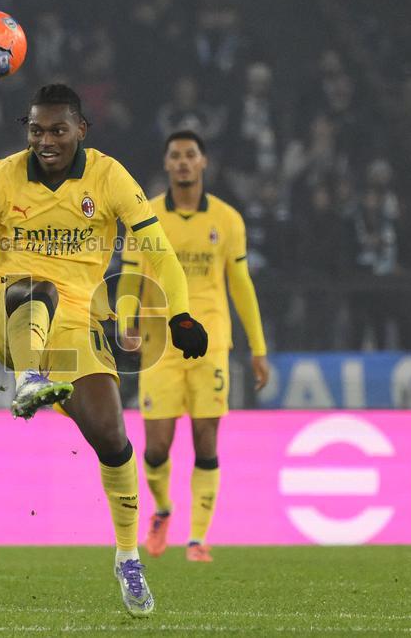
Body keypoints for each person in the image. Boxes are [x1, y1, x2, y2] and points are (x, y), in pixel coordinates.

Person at [0, 84, 208, 618]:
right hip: (9, 312)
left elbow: (159, 252)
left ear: (81, 130)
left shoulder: (109, 178)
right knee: (35, 287)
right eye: (36, 130)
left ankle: (128, 557)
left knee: (112, 437)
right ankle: (27, 382)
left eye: (57, 130)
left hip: (79, 327)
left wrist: (180, 314)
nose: (45, 140)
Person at [116, 129, 269, 563]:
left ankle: (198, 539)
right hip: (159, 344)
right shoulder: (144, 216)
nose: (183, 162)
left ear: (203, 163)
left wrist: (258, 347)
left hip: (211, 344)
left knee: (206, 441)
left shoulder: (227, 219)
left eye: (190, 155)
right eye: (176, 156)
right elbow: (130, 274)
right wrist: (125, 317)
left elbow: (241, 285)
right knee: (156, 447)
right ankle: (163, 509)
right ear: (167, 165)